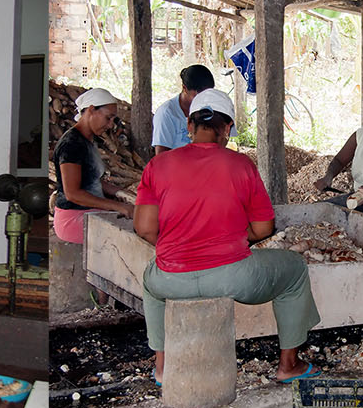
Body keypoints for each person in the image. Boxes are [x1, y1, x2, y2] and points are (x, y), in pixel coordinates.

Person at [136, 89, 321, 384]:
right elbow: (263, 229)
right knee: (295, 269)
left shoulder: (157, 165)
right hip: (233, 277)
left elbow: (145, 229)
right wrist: (231, 236)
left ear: (189, 126)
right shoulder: (241, 165)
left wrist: (182, 246)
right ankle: (289, 364)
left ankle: (162, 366)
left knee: (151, 282)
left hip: (171, 277)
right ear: (228, 129)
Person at [53, 88, 135, 245]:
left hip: (87, 212)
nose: (110, 125)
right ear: (91, 110)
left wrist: (122, 193)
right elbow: (73, 194)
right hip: (73, 218)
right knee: (139, 230)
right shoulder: (71, 144)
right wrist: (119, 206)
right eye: (108, 118)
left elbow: (91, 180)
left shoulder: (87, 140)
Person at [151, 65, 217, 154]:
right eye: (199, 95)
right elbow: (161, 157)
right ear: (184, 88)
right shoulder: (166, 113)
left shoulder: (208, 109)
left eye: (208, 94)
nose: (205, 99)